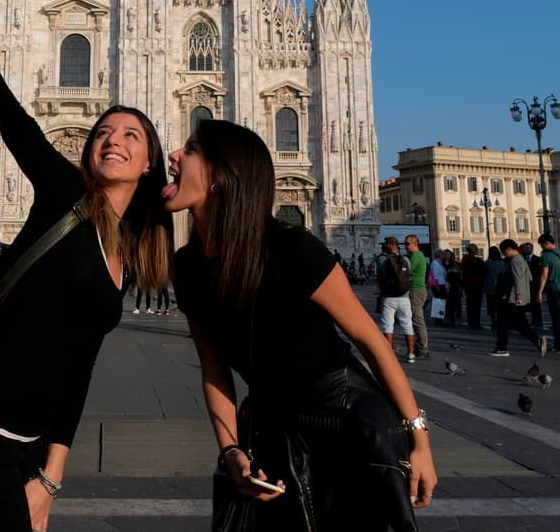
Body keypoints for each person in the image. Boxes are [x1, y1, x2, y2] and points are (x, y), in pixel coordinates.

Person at [0, 0, 173, 532]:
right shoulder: (63, 191)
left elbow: (79, 366)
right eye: (104, 133)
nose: (112, 138)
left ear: (149, 164)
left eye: (131, 135)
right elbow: (6, 109)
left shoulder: (127, 256)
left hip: (28, 445)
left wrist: (51, 477)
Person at [167, 120, 435, 528]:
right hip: (273, 427)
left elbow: (371, 342)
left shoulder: (291, 248)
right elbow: (213, 368)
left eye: (189, 149)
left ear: (222, 174)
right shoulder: (186, 267)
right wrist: (230, 451)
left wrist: (419, 440)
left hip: (349, 424)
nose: (173, 156)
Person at [490, 239, 547, 358]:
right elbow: (529, 277)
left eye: (504, 252)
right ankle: (501, 348)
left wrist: (519, 296)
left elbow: (518, 279)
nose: (503, 254)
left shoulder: (515, 261)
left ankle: (536, 340)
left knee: (517, 324)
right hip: (514, 296)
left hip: (512, 298)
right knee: (505, 323)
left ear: (509, 249)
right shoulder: (521, 259)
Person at [377, 236, 416, 363]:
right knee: (407, 325)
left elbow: (380, 277)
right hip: (404, 297)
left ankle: (389, 354)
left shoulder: (383, 260)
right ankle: (410, 354)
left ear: (388, 245)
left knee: (388, 325)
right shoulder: (406, 259)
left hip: (389, 297)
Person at [405, 235, 430, 359]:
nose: (405, 246)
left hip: (416, 290)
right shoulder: (418, 255)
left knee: (418, 320)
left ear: (415, 243)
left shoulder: (415, 256)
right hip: (418, 289)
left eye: (407, 243)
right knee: (416, 319)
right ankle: (419, 345)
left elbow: (407, 271)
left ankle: (423, 348)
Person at [460, 244, 485, 329]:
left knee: (470, 303)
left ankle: (470, 321)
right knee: (477, 304)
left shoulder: (464, 260)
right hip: (477, 283)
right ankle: (476, 322)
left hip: (468, 284)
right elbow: (482, 272)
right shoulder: (477, 260)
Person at [483, 244, 505, 330]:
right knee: (499, 305)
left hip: (489, 287)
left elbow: (484, 274)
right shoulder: (502, 262)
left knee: (491, 306)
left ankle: (493, 321)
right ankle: (499, 321)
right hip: (500, 287)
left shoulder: (487, 263)